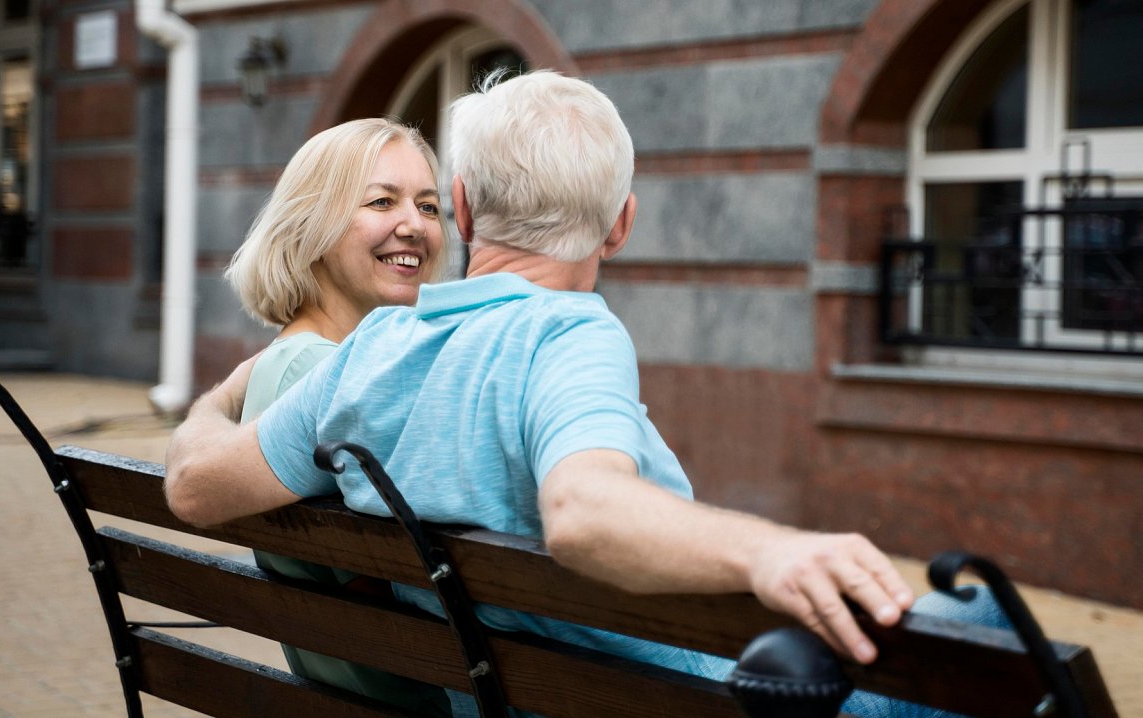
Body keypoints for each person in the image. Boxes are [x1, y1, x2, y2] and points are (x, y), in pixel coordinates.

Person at [165, 71, 984, 718]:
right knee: (982, 634)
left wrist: (213, 407)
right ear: (620, 225)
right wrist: (772, 551)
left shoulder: (371, 351)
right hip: (688, 699)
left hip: (505, 696)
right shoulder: (569, 334)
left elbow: (194, 488)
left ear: (459, 205)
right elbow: (585, 513)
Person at [222, 117, 451, 716]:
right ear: (313, 226)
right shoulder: (326, 378)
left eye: (430, 206)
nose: (414, 225)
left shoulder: (289, 362)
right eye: (382, 201)